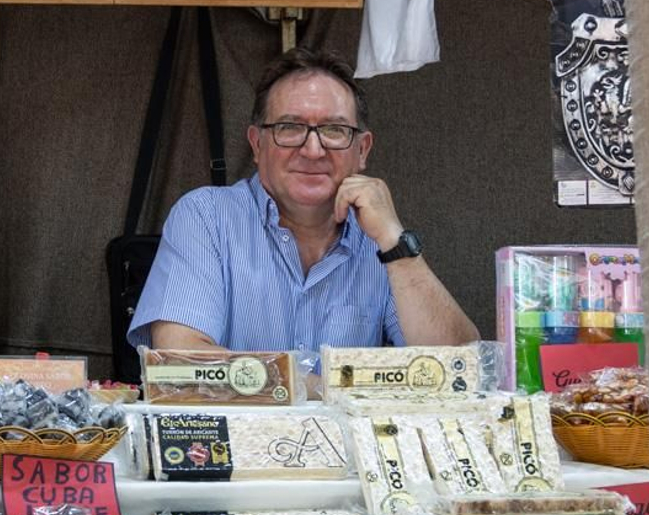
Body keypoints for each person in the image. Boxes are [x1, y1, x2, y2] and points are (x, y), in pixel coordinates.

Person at [128, 47, 478, 356]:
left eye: (334, 130)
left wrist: (396, 244)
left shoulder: (381, 242)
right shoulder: (206, 216)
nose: (313, 150)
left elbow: (462, 366)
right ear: (256, 144)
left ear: (362, 150)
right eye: (290, 127)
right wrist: (316, 387)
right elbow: (181, 356)